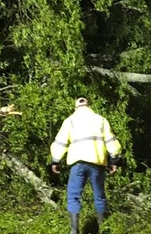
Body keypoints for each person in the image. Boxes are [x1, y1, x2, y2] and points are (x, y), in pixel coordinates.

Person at [50, 97, 122, 234]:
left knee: (73, 196)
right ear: (89, 106)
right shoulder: (100, 120)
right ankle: (103, 228)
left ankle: (74, 230)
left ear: (75, 108)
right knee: (99, 196)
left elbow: (60, 143)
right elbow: (111, 142)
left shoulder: (70, 121)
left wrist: (55, 161)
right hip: (97, 163)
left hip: (77, 164)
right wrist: (114, 161)